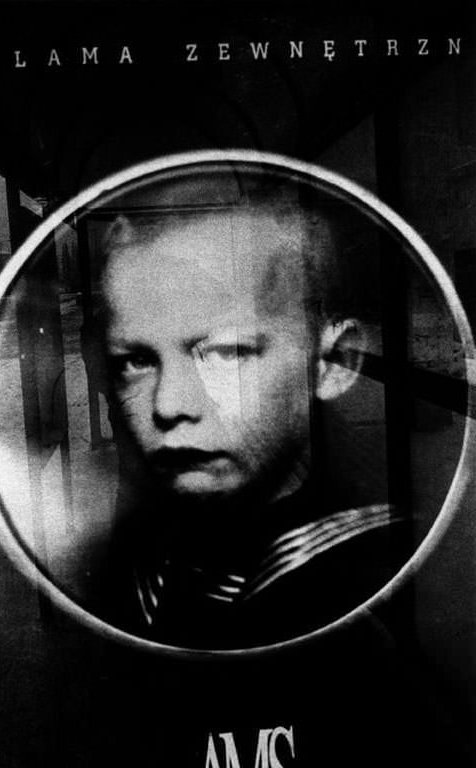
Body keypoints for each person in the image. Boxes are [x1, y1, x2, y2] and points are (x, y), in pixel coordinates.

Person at [88, 184, 409, 649]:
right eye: (135, 361)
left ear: (333, 363)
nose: (167, 406)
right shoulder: (143, 542)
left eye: (226, 352)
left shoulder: (361, 576)